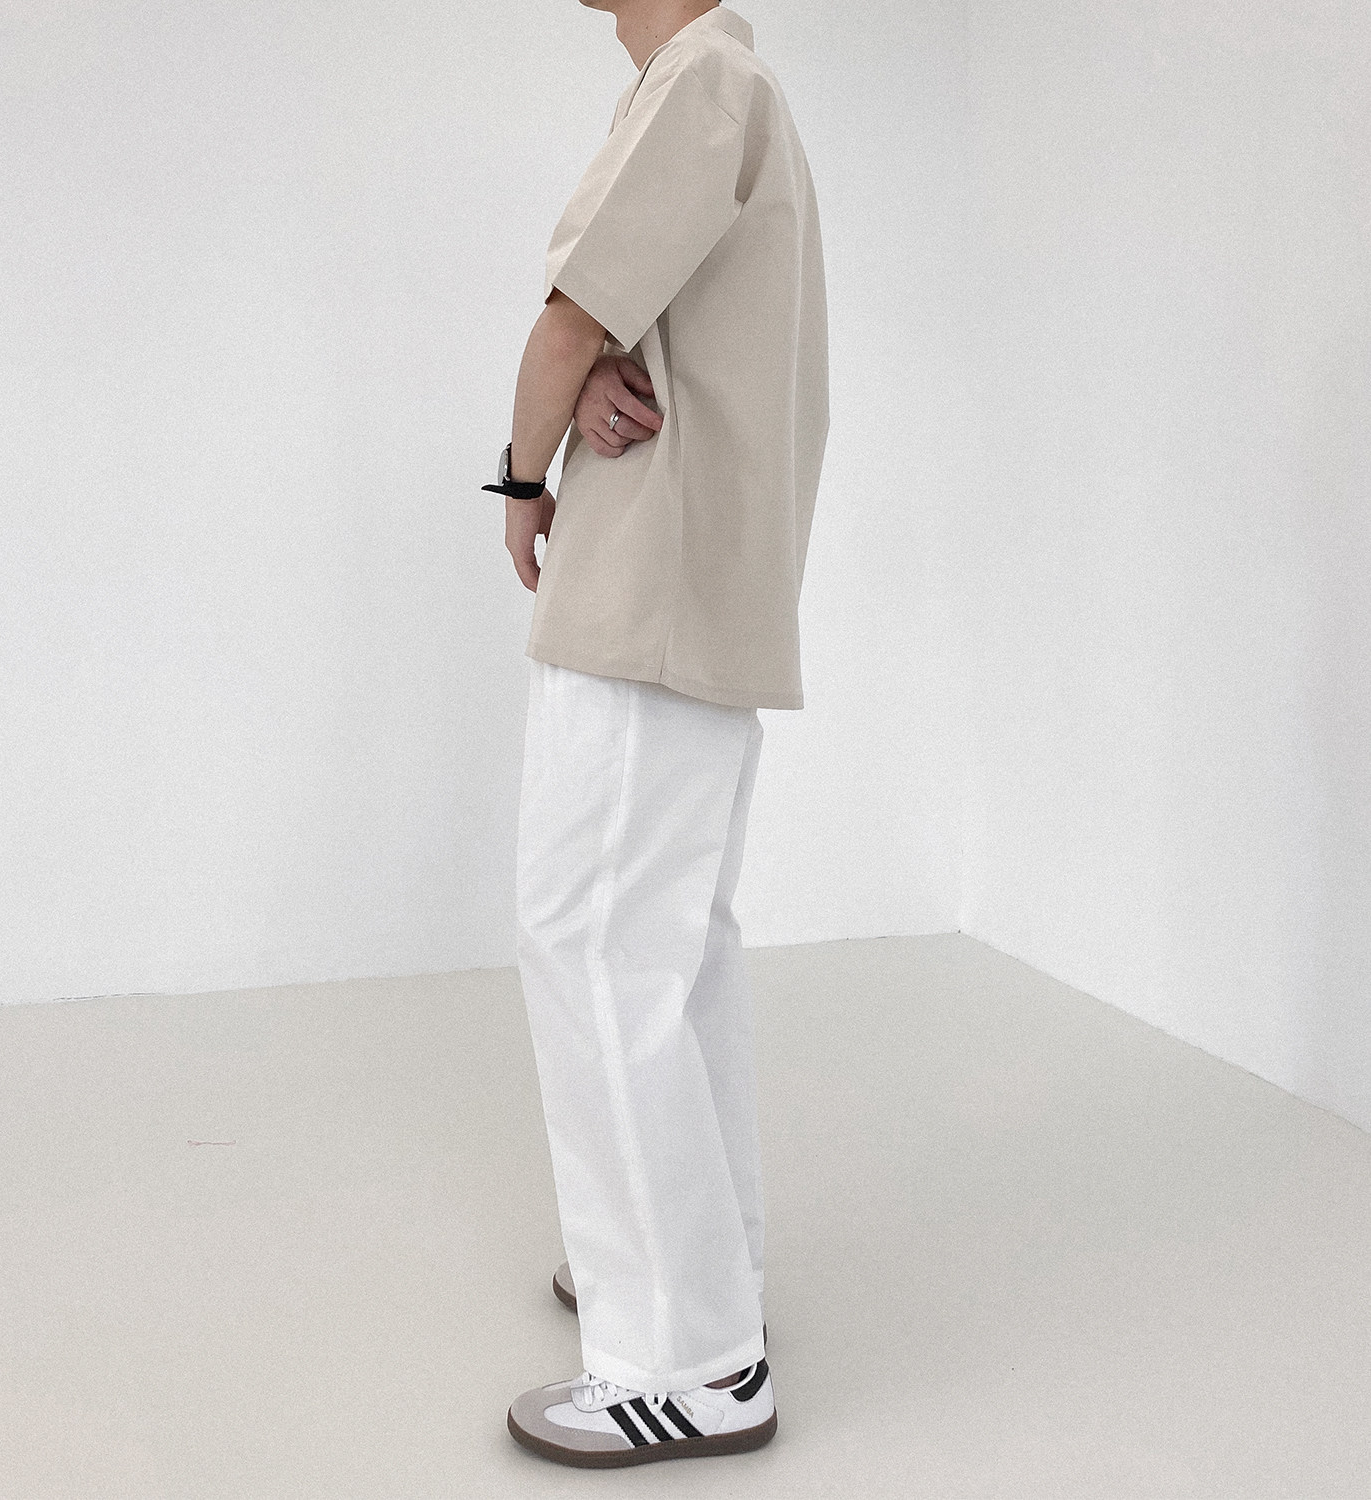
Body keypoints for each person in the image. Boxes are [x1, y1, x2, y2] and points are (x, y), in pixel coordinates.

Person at [481, 0, 829, 1469]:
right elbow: (614, 330)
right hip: (691, 589)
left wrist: (521, 475)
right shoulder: (720, 86)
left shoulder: (702, 84)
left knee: (595, 940)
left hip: (649, 588)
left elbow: (569, 323)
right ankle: (699, 1270)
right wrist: (594, 370)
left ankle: (684, 1361)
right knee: (668, 948)